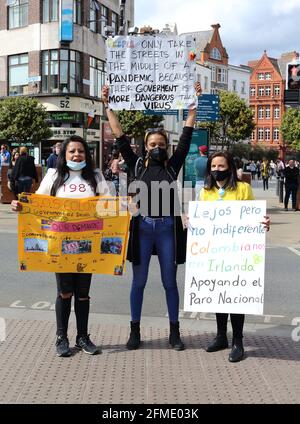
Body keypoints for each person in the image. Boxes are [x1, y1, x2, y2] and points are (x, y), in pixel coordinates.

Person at [101, 82, 202, 351]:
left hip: (167, 229)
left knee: (170, 282)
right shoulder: (134, 163)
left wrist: (193, 108)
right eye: (152, 144)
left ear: (166, 146)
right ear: (145, 146)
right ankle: (134, 331)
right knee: (140, 281)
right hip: (143, 228)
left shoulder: (173, 165)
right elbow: (120, 135)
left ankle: (174, 332)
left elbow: (187, 136)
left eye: (160, 143)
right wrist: (108, 106)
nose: (156, 147)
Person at [11, 136, 107, 357]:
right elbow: (36, 202)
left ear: (86, 154)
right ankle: (61, 337)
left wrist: (124, 207)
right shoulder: (54, 176)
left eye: (81, 151)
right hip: (60, 245)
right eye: (72, 151)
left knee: (83, 293)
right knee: (65, 292)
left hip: (87, 245)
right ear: (64, 154)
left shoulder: (96, 177)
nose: (76, 155)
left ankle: (82, 337)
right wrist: (20, 205)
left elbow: (109, 206)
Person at [199, 151, 270, 362]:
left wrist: (264, 222)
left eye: (221, 167)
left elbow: (254, 217)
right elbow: (201, 220)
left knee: (236, 297)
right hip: (214, 252)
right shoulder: (205, 191)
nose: (217, 170)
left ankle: (237, 341)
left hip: (238, 252)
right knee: (218, 295)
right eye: (213, 167)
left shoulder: (243, 189)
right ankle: (221, 336)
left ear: (229, 167)